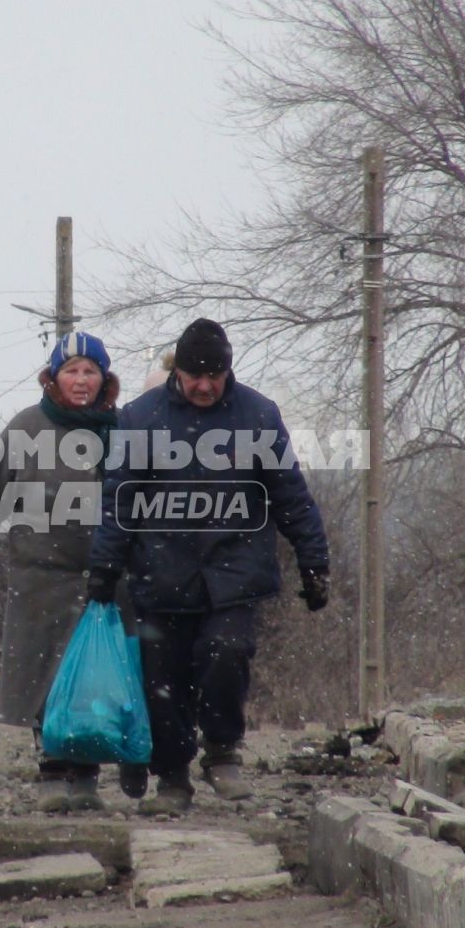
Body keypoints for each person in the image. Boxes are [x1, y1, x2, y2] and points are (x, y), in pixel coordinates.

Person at [87, 318, 329, 816]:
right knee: (164, 676)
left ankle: (222, 751)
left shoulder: (258, 415)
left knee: (228, 651)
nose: (203, 385)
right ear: (177, 372)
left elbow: (290, 494)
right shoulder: (141, 418)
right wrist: (105, 567)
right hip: (161, 569)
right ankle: (172, 777)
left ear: (228, 370)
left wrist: (314, 561)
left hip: (233, 570)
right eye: (194, 375)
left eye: (213, 375)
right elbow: (120, 500)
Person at [0, 331, 129, 813]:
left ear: (104, 380)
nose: (81, 380)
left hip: (105, 579)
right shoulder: (26, 428)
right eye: (71, 370)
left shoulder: (122, 431)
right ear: (53, 378)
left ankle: (87, 772)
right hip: (40, 577)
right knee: (43, 676)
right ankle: (52, 768)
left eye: (90, 371)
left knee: (92, 678)